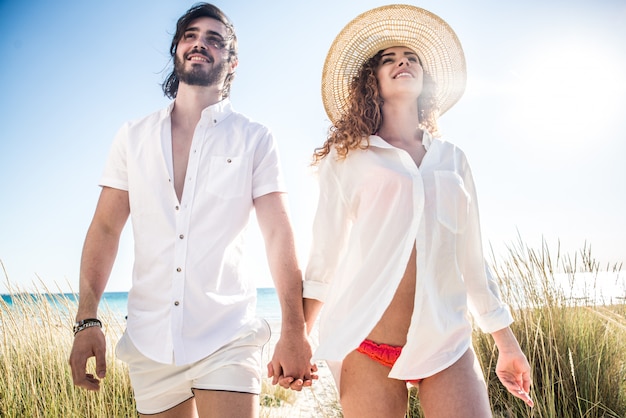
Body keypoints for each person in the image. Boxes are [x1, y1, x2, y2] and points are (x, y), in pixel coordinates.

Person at [68, 3, 313, 417]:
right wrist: (87, 319)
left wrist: (294, 328)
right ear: (177, 49)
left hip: (227, 334)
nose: (200, 43)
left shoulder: (254, 138)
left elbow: (278, 233)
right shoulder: (133, 136)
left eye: (214, 39)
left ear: (232, 61)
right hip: (150, 341)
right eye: (190, 35)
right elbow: (106, 228)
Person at [301, 5, 534, 417]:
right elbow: (325, 258)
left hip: (446, 340)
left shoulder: (453, 159)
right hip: (365, 341)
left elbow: (473, 261)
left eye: (410, 58)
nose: (401, 62)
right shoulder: (347, 157)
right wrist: (298, 336)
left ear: (424, 78)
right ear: (371, 79)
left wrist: (506, 343)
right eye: (388, 59)